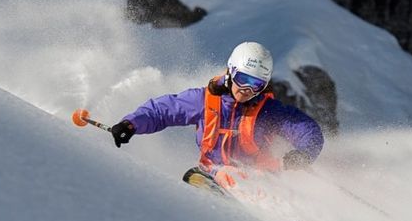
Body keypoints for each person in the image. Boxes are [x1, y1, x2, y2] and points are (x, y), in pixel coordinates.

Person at [109, 42, 324, 190]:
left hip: (260, 179)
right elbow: (162, 110)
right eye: (242, 78)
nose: (246, 89)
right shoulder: (204, 101)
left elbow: (307, 129)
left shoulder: (268, 111)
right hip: (212, 175)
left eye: (256, 85)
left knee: (274, 185)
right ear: (230, 72)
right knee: (224, 174)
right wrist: (131, 124)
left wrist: (304, 153)